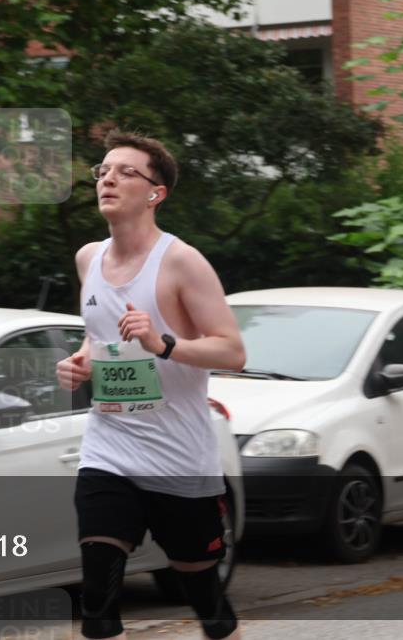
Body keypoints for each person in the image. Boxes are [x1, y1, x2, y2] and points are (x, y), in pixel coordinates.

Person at [55, 129, 246, 640]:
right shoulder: (88, 258)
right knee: (97, 600)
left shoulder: (181, 262)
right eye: (102, 170)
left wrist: (165, 344)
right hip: (109, 448)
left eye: (125, 171)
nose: (108, 179)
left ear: (155, 192)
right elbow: (99, 339)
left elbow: (232, 350)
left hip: (179, 458)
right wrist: (79, 362)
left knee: (204, 598)